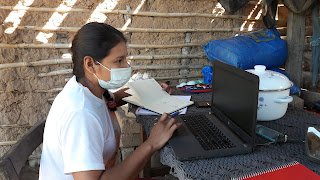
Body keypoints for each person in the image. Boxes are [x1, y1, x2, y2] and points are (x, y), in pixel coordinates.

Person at [39, 22, 181, 180]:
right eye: (119, 60)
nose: (126, 65)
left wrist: (151, 90)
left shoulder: (90, 90)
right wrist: (151, 143)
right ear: (90, 64)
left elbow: (113, 99)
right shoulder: (80, 114)